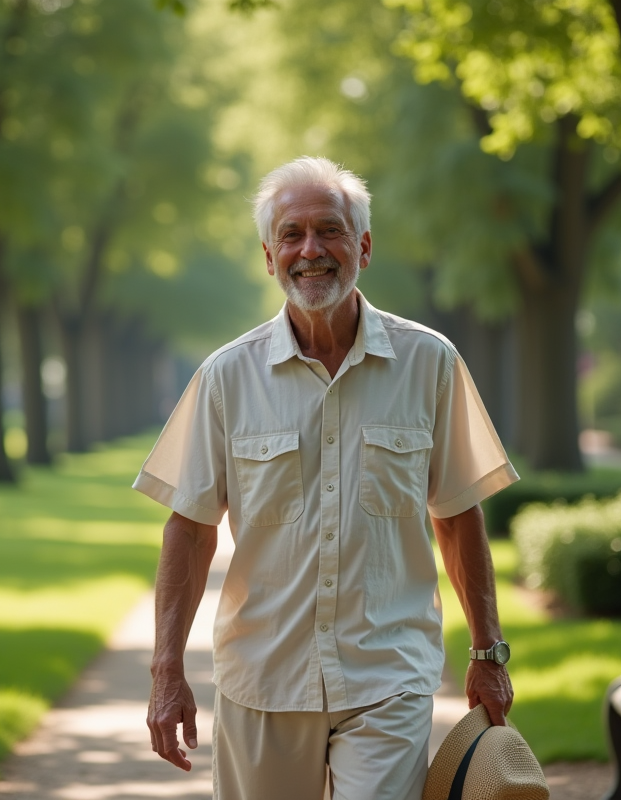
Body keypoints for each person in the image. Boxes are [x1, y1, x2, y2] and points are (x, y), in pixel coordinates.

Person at [132, 156, 519, 800]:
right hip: (264, 678)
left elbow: (457, 514)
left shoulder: (431, 363)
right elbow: (191, 530)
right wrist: (165, 669)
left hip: (388, 676)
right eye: (291, 234)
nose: (310, 250)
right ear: (268, 255)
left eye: (329, 231)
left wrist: (487, 653)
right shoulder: (226, 378)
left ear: (363, 245)